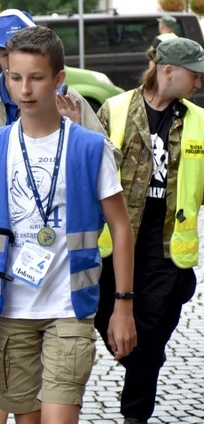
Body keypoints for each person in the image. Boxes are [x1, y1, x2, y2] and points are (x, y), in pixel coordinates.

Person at [0, 26, 136, 424]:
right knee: (27, 420)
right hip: (12, 307)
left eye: (36, 77)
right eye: (15, 77)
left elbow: (121, 227)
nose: (25, 89)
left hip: (69, 308)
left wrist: (123, 305)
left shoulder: (89, 147)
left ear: (58, 80)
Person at [94, 37, 204, 424]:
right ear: (167, 71)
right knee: (117, 330)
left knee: (151, 331)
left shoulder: (199, 122)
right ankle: (147, 364)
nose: (199, 83)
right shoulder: (115, 109)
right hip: (111, 248)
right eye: (194, 74)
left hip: (166, 251)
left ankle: (134, 416)